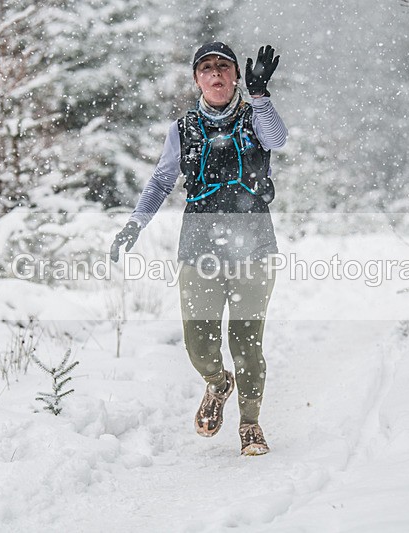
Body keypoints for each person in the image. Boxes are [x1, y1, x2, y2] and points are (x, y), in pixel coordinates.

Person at [109, 42, 287, 456]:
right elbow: (160, 182)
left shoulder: (253, 118)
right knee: (199, 344)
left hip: (253, 244)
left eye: (224, 66)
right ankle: (217, 382)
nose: (216, 73)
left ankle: (250, 423)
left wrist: (261, 96)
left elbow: (278, 139)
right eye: (206, 67)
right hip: (199, 245)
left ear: (236, 76)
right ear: (196, 79)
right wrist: (135, 224)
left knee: (246, 342)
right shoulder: (183, 129)